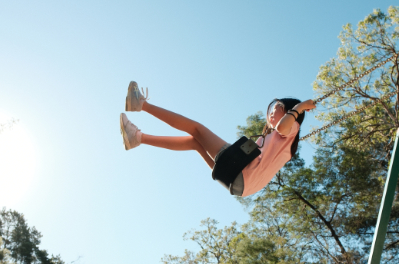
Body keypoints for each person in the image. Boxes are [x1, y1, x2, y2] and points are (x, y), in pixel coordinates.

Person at [119, 81, 316, 197]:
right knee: (195, 142)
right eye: (271, 109)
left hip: (243, 174)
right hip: (239, 186)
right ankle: (137, 138)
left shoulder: (291, 128)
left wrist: (300, 107)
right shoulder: (273, 143)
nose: (272, 111)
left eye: (277, 107)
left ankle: (140, 104)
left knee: (196, 128)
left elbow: (283, 125)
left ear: (289, 111)